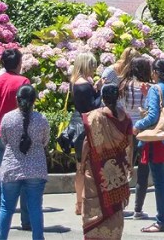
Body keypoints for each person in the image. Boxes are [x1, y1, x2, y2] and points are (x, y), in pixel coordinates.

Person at [0, 49, 32, 232]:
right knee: (25, 176)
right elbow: (27, 110)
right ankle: (26, 220)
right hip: (18, 135)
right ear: (18, 63)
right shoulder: (23, 82)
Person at [80, 83, 134, 239]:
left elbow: (86, 143)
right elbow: (130, 144)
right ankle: (114, 234)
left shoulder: (95, 116)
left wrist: (82, 164)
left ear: (102, 97)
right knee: (115, 207)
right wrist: (129, 165)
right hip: (119, 170)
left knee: (94, 202)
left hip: (97, 170)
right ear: (118, 97)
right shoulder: (126, 117)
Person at [134, 58, 164, 233]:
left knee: (160, 182)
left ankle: (161, 221)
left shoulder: (156, 89)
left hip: (158, 141)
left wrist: (137, 126)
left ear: (154, 72)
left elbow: (153, 116)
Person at [0, 84, 49, 240]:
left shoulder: (7, 118)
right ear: (34, 101)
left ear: (16, 100)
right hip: (36, 169)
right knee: (35, 208)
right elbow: (45, 141)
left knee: (6, 208)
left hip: (11, 167)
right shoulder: (42, 119)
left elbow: (4, 140)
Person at [122, 57, 153, 219]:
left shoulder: (124, 86)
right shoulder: (149, 87)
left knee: (123, 170)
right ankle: (138, 209)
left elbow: (120, 108)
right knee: (143, 172)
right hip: (144, 132)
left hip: (126, 132)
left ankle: (120, 205)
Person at [71, 53, 102, 215]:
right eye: (92, 66)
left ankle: (78, 203)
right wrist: (100, 91)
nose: (94, 69)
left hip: (77, 125)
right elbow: (93, 106)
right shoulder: (84, 85)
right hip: (87, 127)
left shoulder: (75, 82)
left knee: (79, 167)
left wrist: (95, 89)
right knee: (89, 167)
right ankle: (86, 202)